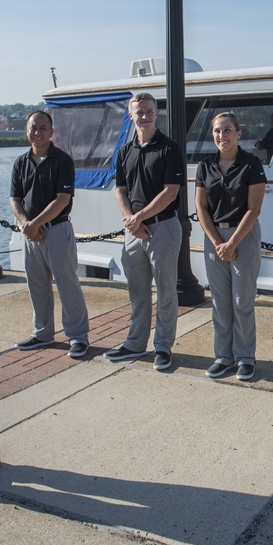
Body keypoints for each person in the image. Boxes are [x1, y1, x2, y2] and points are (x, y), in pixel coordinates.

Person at [104, 92, 185, 371]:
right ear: (131, 116)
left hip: (162, 227)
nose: (145, 116)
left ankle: (162, 347)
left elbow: (170, 191)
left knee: (165, 292)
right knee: (137, 292)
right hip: (134, 232)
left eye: (149, 111)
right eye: (139, 112)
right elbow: (120, 190)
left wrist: (139, 218)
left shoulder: (169, 148)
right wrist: (130, 219)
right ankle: (135, 344)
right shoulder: (125, 151)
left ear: (156, 113)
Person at [9, 110, 90, 358]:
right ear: (27, 131)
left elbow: (62, 200)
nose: (38, 132)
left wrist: (36, 223)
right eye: (33, 128)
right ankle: (43, 334)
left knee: (67, 285)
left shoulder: (62, 161)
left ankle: (78, 337)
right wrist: (26, 224)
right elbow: (15, 199)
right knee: (37, 286)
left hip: (56, 231)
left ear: (52, 132)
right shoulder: (20, 163)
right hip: (30, 234)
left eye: (43, 128)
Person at [195, 112, 266, 380]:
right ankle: (224, 357)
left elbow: (254, 208)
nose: (221, 136)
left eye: (227, 130)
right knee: (221, 302)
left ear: (238, 133)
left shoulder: (251, 164)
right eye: (217, 131)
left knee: (242, 301)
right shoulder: (205, 166)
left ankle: (246, 358)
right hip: (214, 238)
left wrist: (232, 242)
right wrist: (217, 242)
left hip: (243, 236)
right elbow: (200, 207)